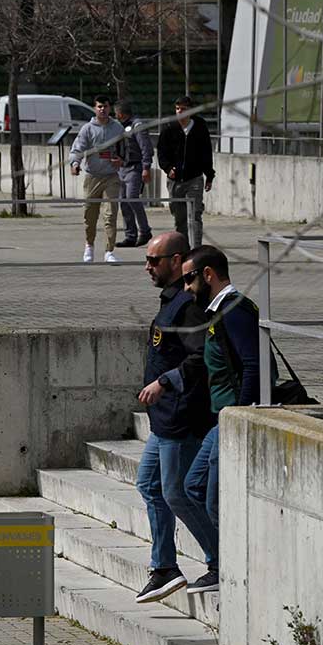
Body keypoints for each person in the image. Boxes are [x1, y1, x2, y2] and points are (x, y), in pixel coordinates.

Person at [180, 245, 275, 595]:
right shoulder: (220, 311)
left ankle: (233, 570)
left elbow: (254, 363)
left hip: (233, 418)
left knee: (214, 499)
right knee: (192, 486)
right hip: (222, 418)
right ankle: (221, 563)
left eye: (190, 278)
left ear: (208, 275)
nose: (186, 286)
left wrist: (239, 414)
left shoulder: (233, 312)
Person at [133, 232, 219, 603]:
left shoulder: (187, 306)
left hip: (180, 418)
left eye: (155, 260)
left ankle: (221, 559)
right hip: (163, 420)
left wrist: (164, 383)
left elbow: (199, 359)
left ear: (175, 259)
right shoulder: (171, 302)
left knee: (177, 492)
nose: (148, 267)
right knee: (149, 485)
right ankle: (165, 566)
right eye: (147, 260)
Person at [69, 95, 125, 264]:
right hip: (92, 176)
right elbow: (77, 148)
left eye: (105, 106)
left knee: (110, 214)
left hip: (111, 176)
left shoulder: (117, 128)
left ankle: (109, 250)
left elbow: (126, 149)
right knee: (90, 214)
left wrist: (121, 160)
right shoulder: (87, 128)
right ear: (95, 108)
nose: (103, 109)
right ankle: (89, 246)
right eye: (99, 106)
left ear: (110, 108)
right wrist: (75, 163)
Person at [156, 96, 215, 248]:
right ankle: (183, 249)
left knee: (194, 215)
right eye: (177, 109)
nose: (180, 112)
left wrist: (209, 175)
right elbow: (161, 153)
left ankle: (196, 249)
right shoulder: (169, 127)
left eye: (183, 109)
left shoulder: (200, 127)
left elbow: (206, 152)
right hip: (175, 181)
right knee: (179, 218)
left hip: (194, 178)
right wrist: (168, 169)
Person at [114, 101, 154, 248]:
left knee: (132, 198)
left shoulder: (137, 125)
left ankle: (145, 231)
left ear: (120, 114)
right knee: (123, 202)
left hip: (135, 168)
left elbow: (146, 148)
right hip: (122, 168)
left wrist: (146, 167)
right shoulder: (119, 126)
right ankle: (130, 236)